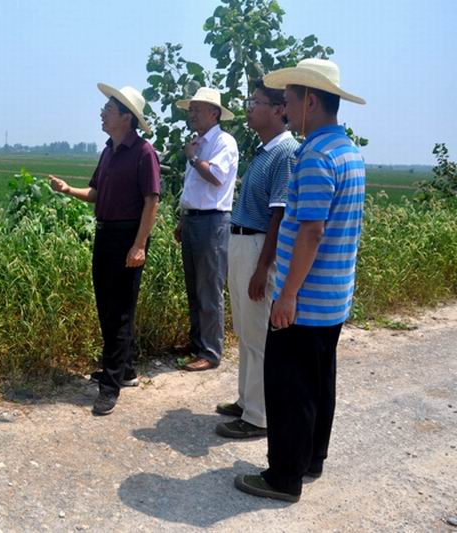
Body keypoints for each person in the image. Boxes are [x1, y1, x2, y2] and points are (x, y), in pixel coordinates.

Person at [234, 58, 366, 502]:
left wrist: (287, 294)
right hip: (334, 297)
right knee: (318, 381)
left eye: (289, 101)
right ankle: (311, 458)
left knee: (289, 386)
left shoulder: (315, 156)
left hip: (306, 300)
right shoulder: (348, 151)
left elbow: (311, 230)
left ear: (310, 102)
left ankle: (283, 476)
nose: (286, 110)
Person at [49, 83, 160, 416]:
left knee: (120, 311)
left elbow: (151, 201)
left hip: (128, 237)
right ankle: (124, 370)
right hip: (105, 234)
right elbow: (96, 193)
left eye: (108, 110)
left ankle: (110, 387)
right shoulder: (109, 151)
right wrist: (68, 190)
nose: (102, 114)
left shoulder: (143, 152)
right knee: (107, 307)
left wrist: (139, 245)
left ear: (126, 117)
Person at [214, 79, 299, 439]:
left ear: (279, 110)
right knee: (246, 330)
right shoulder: (265, 151)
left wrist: (263, 268)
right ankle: (246, 400)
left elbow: (279, 215)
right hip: (242, 243)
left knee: (259, 334)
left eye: (256, 102)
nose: (249, 108)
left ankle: (259, 416)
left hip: (258, 246)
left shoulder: (286, 152)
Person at [173, 88, 239, 372]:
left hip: (213, 222)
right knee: (194, 287)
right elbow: (194, 189)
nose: (192, 114)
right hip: (194, 220)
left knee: (209, 288)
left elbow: (215, 177)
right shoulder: (198, 142)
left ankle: (211, 352)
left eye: (197, 109)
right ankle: (197, 343)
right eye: (191, 110)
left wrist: (192, 158)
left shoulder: (224, 142)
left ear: (214, 113)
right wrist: (183, 220)